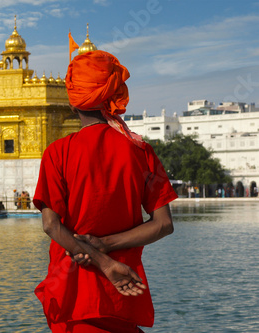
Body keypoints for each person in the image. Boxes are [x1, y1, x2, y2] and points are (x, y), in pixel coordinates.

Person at [33, 50, 178, 333]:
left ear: (74, 106)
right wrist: (107, 247)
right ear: (112, 100)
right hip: (124, 292)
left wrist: (101, 259)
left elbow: (51, 225)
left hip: (74, 293)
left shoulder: (58, 153)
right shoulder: (140, 151)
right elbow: (164, 225)